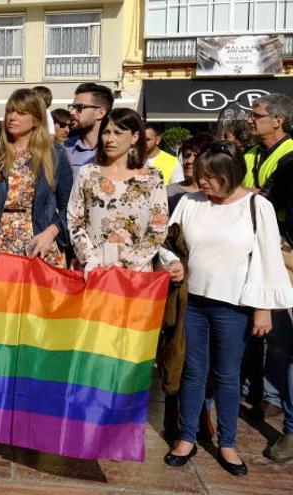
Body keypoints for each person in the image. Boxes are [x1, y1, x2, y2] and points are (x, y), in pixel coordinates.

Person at [160, 142, 293, 476]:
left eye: (210, 176)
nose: (202, 182)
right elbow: (168, 242)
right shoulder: (190, 202)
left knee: (227, 376)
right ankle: (187, 438)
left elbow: (267, 257)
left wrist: (263, 308)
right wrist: (172, 263)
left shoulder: (256, 206)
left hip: (234, 307)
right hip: (191, 302)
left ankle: (228, 443)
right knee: (191, 372)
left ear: (230, 174)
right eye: (199, 174)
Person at [241, 93, 293, 463]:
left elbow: (267, 200)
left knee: (286, 343)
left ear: (278, 119)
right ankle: (268, 397)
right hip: (261, 251)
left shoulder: (290, 159)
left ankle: (290, 429)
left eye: (256, 115)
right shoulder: (252, 154)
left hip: (287, 255)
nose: (249, 120)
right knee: (271, 339)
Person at [67, 108, 168, 275]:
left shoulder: (152, 177)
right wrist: (90, 260)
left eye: (118, 133)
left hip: (135, 274)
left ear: (135, 137)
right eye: (106, 132)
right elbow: (75, 220)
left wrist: (127, 265)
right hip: (91, 271)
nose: (110, 139)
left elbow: (158, 228)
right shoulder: (87, 173)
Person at [0, 89, 72, 268]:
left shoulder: (55, 153)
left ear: (37, 119)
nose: (12, 117)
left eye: (21, 113)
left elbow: (70, 207)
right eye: (10, 111)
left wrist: (51, 233)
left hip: (40, 241)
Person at [64, 83, 114, 178]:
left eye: (79, 107)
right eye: (72, 107)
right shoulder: (64, 149)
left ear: (100, 113)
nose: (72, 112)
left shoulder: (117, 151)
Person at [166, 133, 217, 214]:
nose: (189, 161)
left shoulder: (218, 193)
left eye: (196, 156)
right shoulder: (169, 192)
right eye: (187, 155)